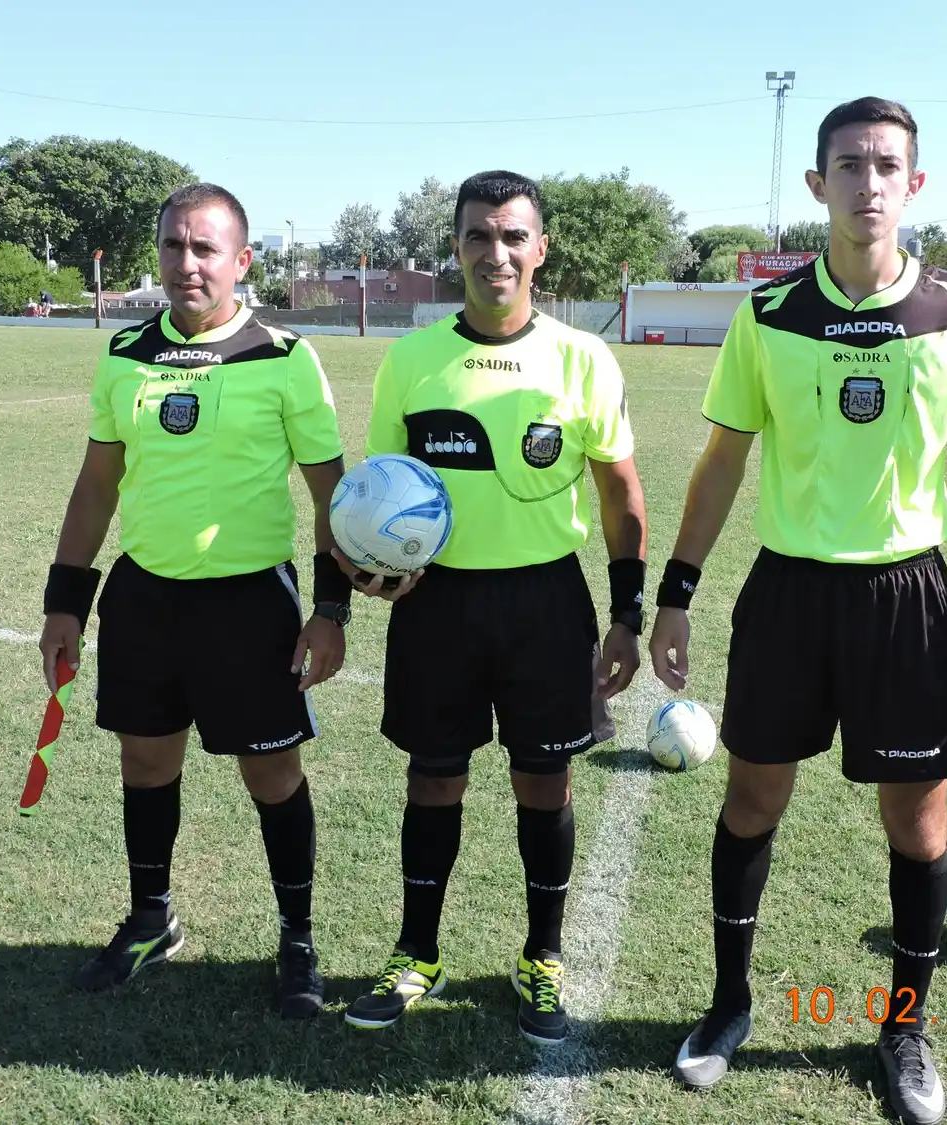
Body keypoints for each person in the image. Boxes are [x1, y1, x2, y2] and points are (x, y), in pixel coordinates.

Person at [648, 98, 947, 1125]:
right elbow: (725, 459)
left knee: (918, 828)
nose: (869, 181)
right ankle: (729, 1004)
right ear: (818, 186)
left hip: (906, 597)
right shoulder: (770, 317)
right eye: (849, 165)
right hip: (788, 594)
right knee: (750, 805)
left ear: (915, 184)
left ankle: (905, 1030)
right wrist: (678, 592)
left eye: (887, 164)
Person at [337, 170, 648, 1046]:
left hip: (546, 598)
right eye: (479, 235)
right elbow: (378, 494)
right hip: (437, 603)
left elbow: (622, 493)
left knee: (542, 779)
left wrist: (625, 612)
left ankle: (542, 956)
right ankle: (416, 953)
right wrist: (368, 570)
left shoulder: (583, 358)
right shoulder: (412, 359)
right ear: (457, 247)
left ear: (540, 249)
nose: (496, 251)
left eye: (514, 235)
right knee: (433, 775)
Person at [36, 182, 353, 1019]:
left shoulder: (284, 358)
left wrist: (332, 610)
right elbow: (98, 483)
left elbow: (334, 497)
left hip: (250, 604)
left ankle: (298, 938)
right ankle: (151, 917)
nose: (187, 263)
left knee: (272, 772)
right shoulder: (124, 352)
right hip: (144, 600)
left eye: (205, 248)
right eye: (174, 245)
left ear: (242, 261)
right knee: (145, 761)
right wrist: (64, 600)